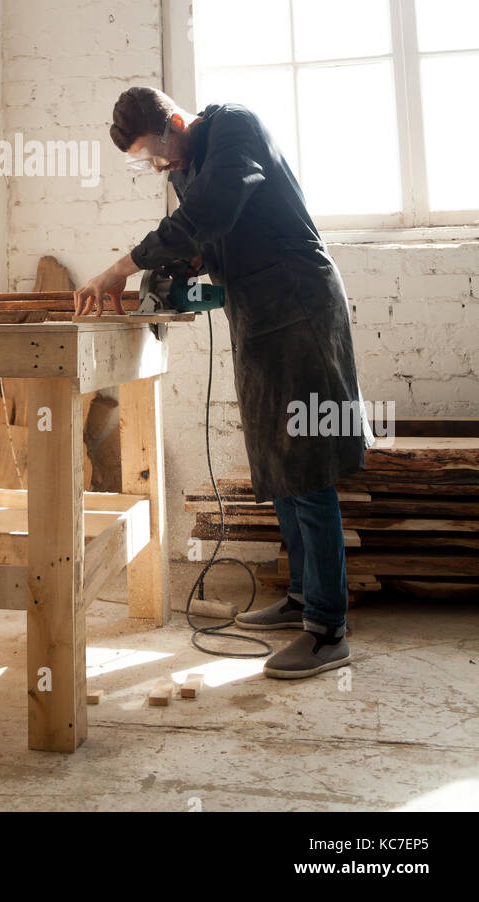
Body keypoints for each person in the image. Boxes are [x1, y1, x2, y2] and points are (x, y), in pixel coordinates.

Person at [73, 87, 373, 679]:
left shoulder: (235, 127)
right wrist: (181, 267)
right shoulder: (185, 166)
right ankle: (302, 597)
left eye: (155, 154)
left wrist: (121, 267)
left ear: (175, 122)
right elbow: (209, 237)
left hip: (300, 304)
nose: (157, 167)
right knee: (279, 458)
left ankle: (328, 630)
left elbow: (208, 214)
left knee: (308, 462)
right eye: (145, 162)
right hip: (257, 312)